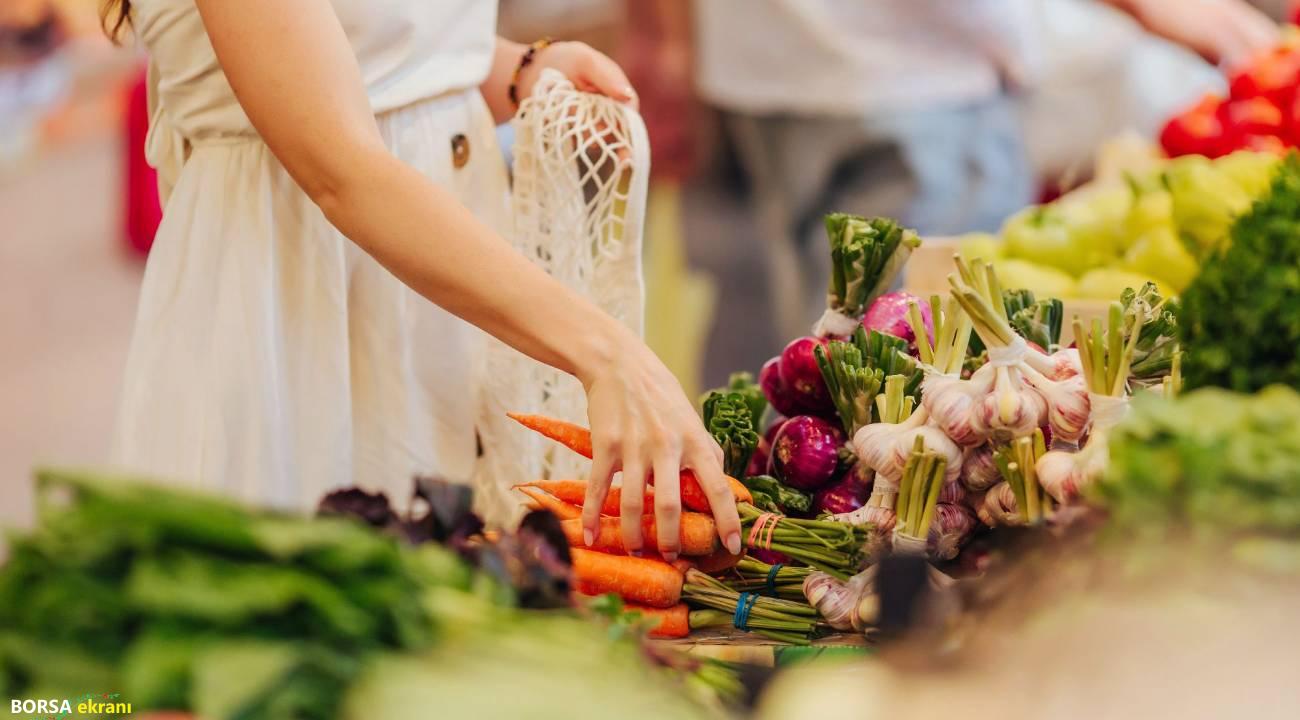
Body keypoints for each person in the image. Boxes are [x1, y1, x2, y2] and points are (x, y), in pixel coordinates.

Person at [101, 0, 742, 561]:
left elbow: (375, 37)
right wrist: (606, 354)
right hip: (300, 306)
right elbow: (341, 169)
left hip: (442, 302)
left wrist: (512, 69)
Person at [688, 0, 1279, 342]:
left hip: (765, 60)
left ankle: (860, 549)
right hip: (921, 73)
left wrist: (661, 34)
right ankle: (901, 559)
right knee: (929, 379)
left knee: (833, 350)